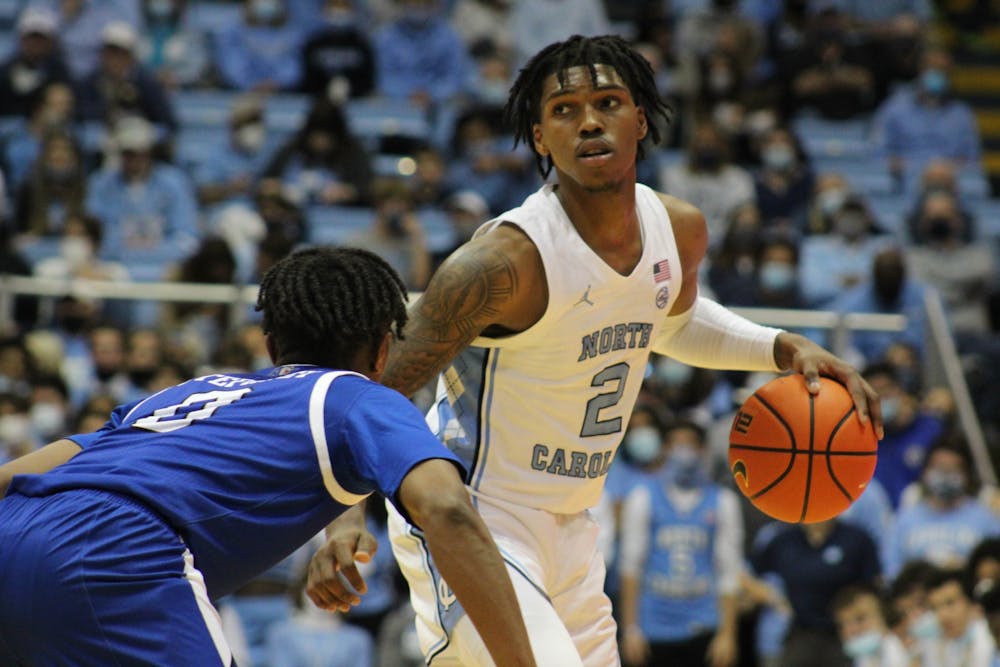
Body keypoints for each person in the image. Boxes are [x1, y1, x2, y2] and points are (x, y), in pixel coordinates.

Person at [312, 34, 881, 666]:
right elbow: (374, 388)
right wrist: (340, 516)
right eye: (563, 110)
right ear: (539, 137)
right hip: (475, 516)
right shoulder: (505, 263)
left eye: (607, 102)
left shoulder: (678, 229)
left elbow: (672, 323)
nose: (588, 121)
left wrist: (783, 346)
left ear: (640, 119)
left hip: (576, 525)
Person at [0, 247, 537, 667]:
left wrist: (339, 529)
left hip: (16, 530)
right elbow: (446, 508)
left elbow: (17, 475)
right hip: (118, 551)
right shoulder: (361, 396)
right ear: (382, 348)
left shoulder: (191, 393)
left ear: (272, 345)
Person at [619, 419, 742, 667]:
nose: (683, 451)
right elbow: (630, 566)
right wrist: (630, 628)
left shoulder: (723, 501)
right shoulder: (643, 497)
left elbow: (728, 571)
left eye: (689, 444)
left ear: (702, 451)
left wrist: (728, 633)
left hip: (703, 626)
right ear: (665, 449)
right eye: (676, 444)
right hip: (652, 626)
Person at [831, 583, 909, 667]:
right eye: (842, 625)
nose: (851, 630)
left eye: (860, 619)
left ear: (882, 616)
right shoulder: (859, 659)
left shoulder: (909, 649)